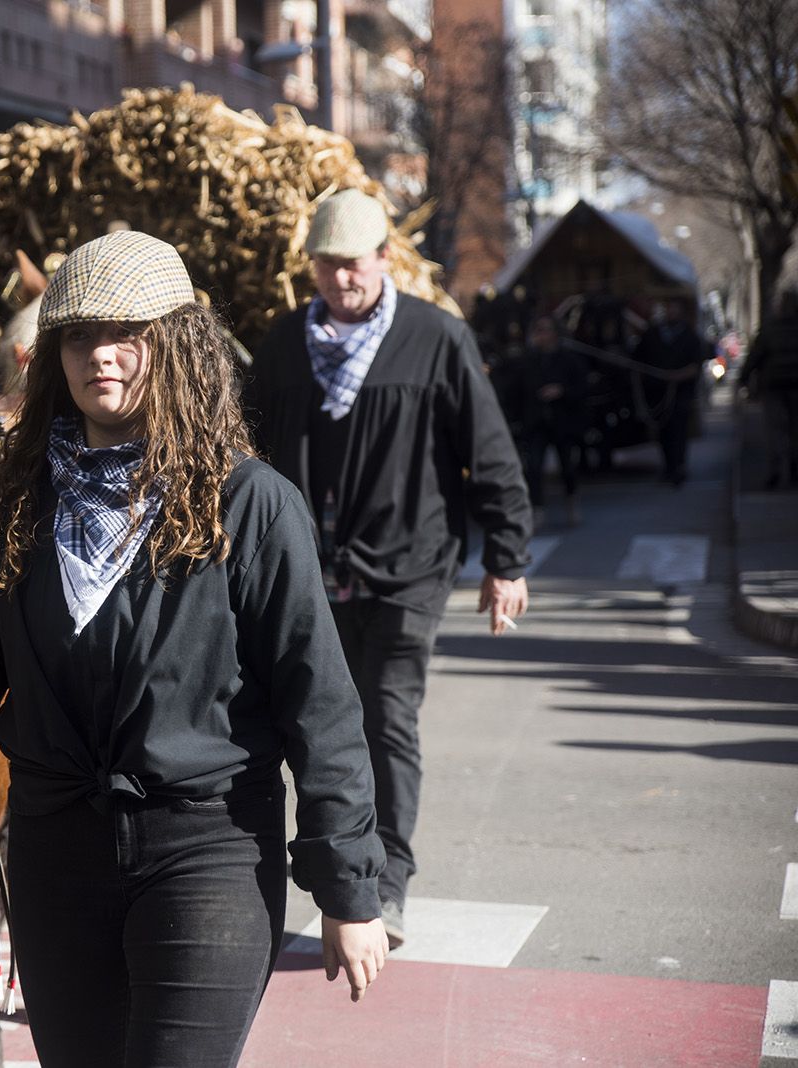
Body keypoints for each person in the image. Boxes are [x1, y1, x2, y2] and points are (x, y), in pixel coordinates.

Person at [0, 231, 389, 1067]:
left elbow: (321, 705)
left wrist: (349, 889)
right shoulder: (15, 495)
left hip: (209, 850)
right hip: (55, 857)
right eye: (79, 336)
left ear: (180, 347)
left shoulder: (251, 503)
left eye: (130, 334)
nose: (102, 356)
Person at [242, 189, 533, 947]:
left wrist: (507, 561)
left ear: (385, 259)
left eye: (357, 265)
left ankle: (387, 881)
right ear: (312, 268)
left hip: (409, 568)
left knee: (386, 719)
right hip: (309, 572)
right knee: (310, 721)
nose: (344, 280)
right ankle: (319, 869)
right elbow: (243, 456)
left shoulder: (435, 339)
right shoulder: (280, 349)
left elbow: (489, 450)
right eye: (329, 266)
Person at [502, 315, 588, 526]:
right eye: (538, 330)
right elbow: (515, 392)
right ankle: (537, 508)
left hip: (562, 422)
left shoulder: (569, 360)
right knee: (534, 467)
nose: (541, 335)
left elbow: (582, 389)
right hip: (536, 422)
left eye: (545, 330)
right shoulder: (527, 361)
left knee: (567, 466)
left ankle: (571, 502)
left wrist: (562, 391)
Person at [634, 296, 709, 487]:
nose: (671, 312)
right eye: (668, 307)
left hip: (680, 391)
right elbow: (639, 359)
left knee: (678, 430)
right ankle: (668, 466)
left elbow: (696, 364)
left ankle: (678, 466)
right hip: (658, 392)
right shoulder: (653, 333)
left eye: (674, 308)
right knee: (663, 431)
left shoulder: (689, 336)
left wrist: (677, 376)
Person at [742, 286, 798, 490]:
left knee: (775, 429)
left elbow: (755, 356)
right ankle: (793, 466)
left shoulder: (770, 329)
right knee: (794, 428)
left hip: (773, 385)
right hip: (793, 386)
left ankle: (776, 469)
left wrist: (744, 378)